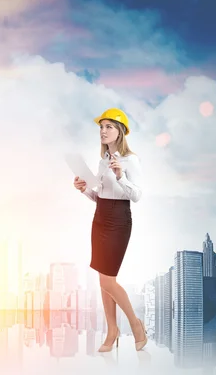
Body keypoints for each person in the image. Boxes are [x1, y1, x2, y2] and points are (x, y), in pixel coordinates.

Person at [73, 108, 147, 352]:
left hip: (119, 220)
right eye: (101, 127)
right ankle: (112, 330)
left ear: (121, 132)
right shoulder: (102, 161)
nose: (103, 131)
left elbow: (136, 196)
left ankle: (136, 325)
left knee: (108, 280)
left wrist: (121, 175)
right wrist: (83, 188)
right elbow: (99, 195)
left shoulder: (130, 160)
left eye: (109, 127)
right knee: (104, 279)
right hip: (100, 218)